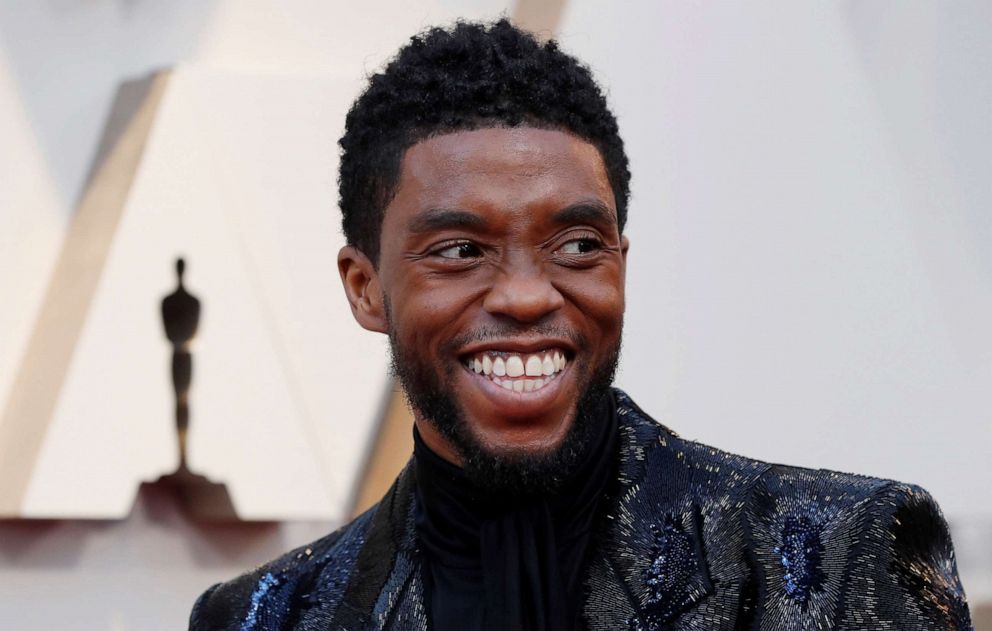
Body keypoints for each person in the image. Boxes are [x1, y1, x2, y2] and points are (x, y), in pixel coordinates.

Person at [189, 19, 972, 631]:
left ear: (620, 265)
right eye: (461, 249)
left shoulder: (833, 556)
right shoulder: (267, 614)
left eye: (576, 244)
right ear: (365, 289)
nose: (528, 295)